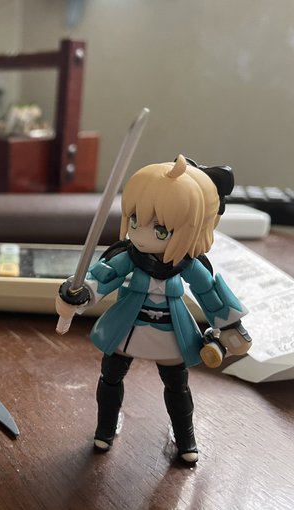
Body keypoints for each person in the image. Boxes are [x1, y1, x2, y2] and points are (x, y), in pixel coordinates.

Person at [55, 154, 251, 464]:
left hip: (171, 332)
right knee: (110, 377)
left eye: (160, 230)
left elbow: (209, 293)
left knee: (177, 386)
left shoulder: (186, 265)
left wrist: (230, 327)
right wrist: (79, 293)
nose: (141, 233)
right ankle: (105, 428)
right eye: (134, 220)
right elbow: (104, 277)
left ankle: (185, 438)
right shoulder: (130, 256)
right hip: (127, 327)